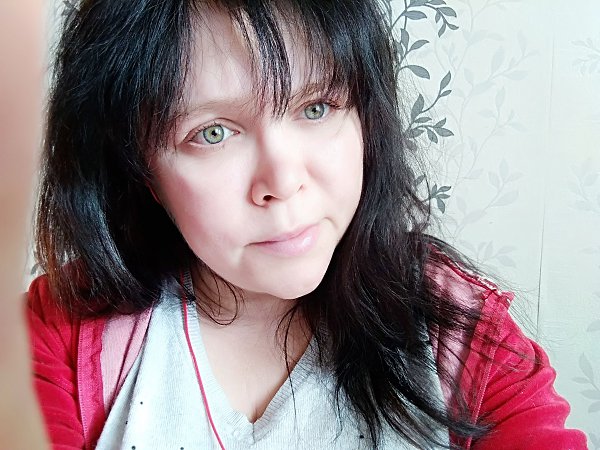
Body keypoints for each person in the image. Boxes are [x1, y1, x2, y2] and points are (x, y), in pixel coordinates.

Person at [22, 0, 587, 449]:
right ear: (141, 172)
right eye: (213, 133)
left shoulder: (461, 333)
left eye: (316, 108)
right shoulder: (60, 335)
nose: (284, 180)